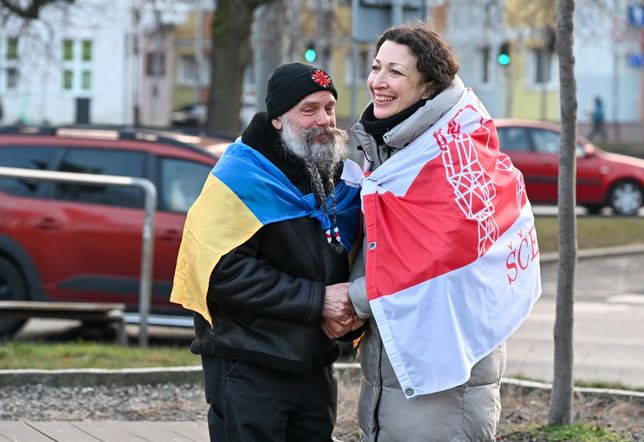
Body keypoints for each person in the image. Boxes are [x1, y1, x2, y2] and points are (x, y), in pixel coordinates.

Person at [327, 23, 542, 441]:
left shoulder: (453, 156)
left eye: (396, 72)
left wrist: (349, 299)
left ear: (427, 86)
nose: (378, 82)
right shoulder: (399, 149)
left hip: (446, 382)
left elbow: (434, 264)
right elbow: (384, 249)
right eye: (376, 67)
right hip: (398, 366)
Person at [170, 62, 362, 442]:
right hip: (249, 364)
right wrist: (318, 300)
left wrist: (350, 308)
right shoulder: (240, 178)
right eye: (308, 110)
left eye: (328, 108)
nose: (323, 120)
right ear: (277, 119)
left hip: (314, 365)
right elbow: (221, 272)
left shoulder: (340, 175)